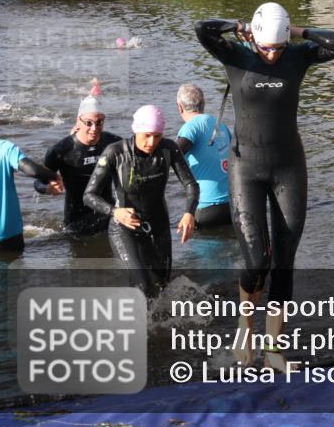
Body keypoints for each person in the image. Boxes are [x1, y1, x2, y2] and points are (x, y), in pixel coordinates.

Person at [196, 3, 334, 369]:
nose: (272, 54)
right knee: (257, 261)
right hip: (246, 168)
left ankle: (274, 352)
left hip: (288, 168)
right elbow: (203, 29)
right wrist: (238, 25)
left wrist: (296, 33)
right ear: (255, 39)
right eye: (266, 47)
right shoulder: (236, 55)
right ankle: (245, 329)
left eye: (277, 48)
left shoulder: (297, 56)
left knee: (284, 261)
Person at [84, 105, 198, 298]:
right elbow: (89, 195)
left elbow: (191, 184)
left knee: (161, 286)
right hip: (124, 228)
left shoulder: (168, 148)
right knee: (144, 286)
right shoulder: (115, 153)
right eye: (147, 135)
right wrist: (115, 212)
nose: (152, 142)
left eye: (157, 136)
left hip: (158, 225)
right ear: (136, 130)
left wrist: (189, 213)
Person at [0, 103, 61, 258]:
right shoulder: (5, 148)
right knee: (9, 271)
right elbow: (33, 170)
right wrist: (54, 176)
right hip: (5, 233)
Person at [35, 92, 121, 236]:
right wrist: (48, 188)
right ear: (78, 121)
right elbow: (39, 182)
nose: (94, 128)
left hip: (108, 214)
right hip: (76, 219)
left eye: (99, 122)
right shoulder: (61, 150)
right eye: (88, 123)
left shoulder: (113, 143)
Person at [175, 84, 232, 229]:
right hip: (231, 206)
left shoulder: (190, 128)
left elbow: (172, 155)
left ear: (179, 107)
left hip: (206, 208)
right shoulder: (221, 125)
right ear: (203, 103)